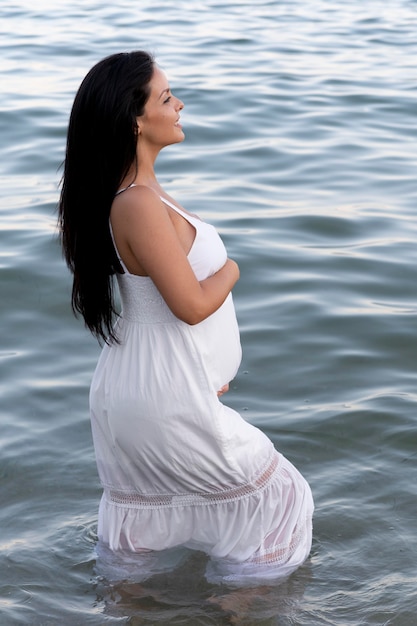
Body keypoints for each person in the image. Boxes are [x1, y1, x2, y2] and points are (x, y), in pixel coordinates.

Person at [58, 51, 313, 586]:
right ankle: (233, 612)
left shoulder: (138, 197)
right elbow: (190, 304)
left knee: (149, 525)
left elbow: (163, 308)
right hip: (157, 392)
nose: (179, 106)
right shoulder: (136, 203)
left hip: (156, 384)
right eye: (166, 97)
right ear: (135, 119)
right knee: (277, 497)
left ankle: (140, 609)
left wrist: (200, 375)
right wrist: (234, 269)